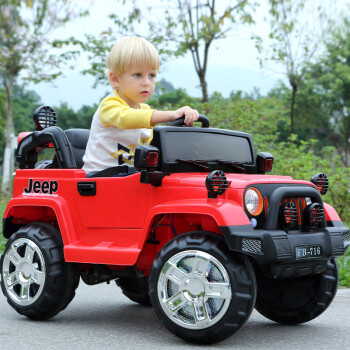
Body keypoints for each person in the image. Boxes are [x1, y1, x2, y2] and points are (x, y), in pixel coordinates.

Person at [82, 36, 199, 175]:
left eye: (151, 75)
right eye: (138, 75)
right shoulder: (109, 106)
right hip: (98, 178)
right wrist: (172, 114)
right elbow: (127, 118)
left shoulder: (145, 111)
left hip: (129, 177)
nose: (146, 82)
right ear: (115, 79)